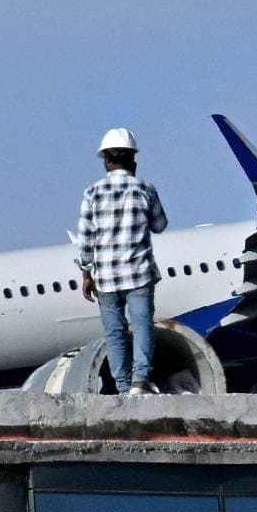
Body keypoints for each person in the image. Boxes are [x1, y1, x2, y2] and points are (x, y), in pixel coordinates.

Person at [77, 127, 168, 395]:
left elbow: (85, 238)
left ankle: (123, 385)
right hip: (139, 273)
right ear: (133, 160)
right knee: (142, 326)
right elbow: (160, 225)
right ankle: (141, 381)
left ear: (106, 160)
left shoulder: (92, 193)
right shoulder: (144, 189)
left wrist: (86, 272)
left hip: (106, 278)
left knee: (114, 332)